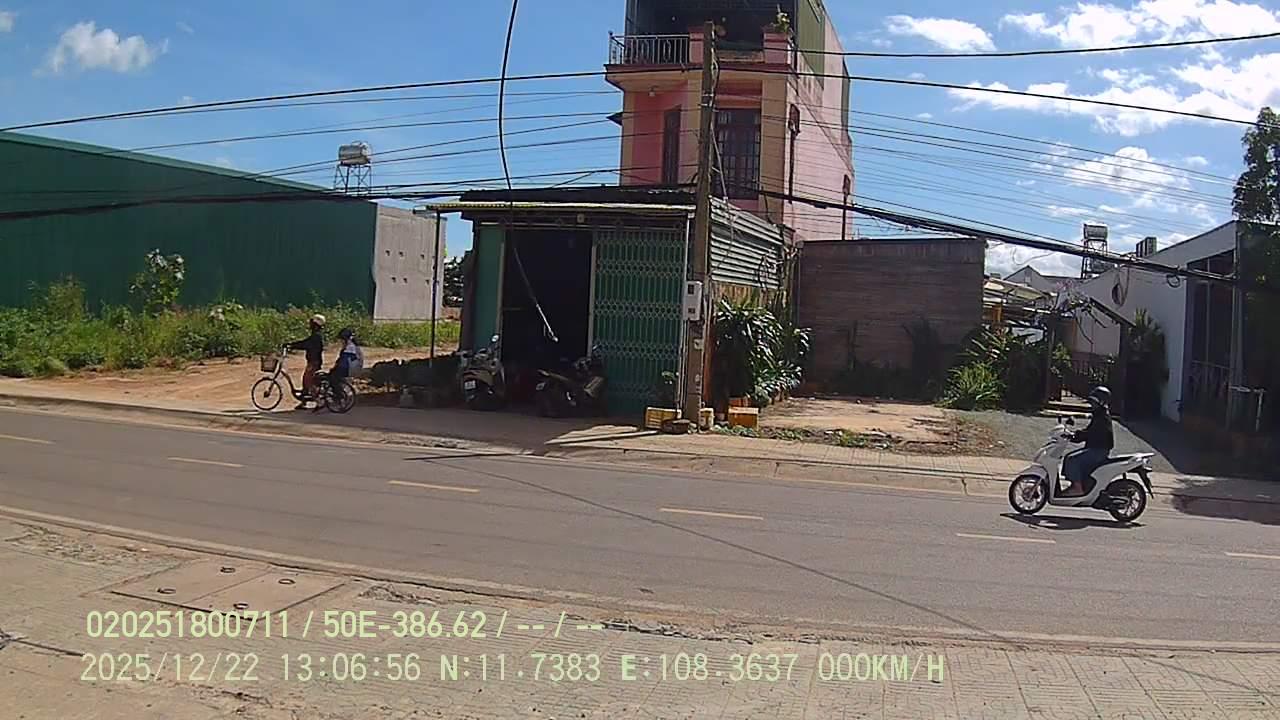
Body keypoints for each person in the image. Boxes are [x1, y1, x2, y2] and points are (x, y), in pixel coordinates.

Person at [1062, 386, 1114, 496]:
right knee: (1069, 457)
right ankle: (1076, 484)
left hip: (1099, 450)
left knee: (1072, 460)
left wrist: (1075, 435)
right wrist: (1074, 435)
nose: (1092, 404)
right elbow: (1089, 431)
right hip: (1095, 448)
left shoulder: (1103, 417)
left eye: (1094, 402)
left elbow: (1090, 433)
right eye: (1092, 402)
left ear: (1101, 402)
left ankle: (1077, 488)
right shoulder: (1099, 414)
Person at [287, 314, 326, 409]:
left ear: (316, 325)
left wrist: (292, 345)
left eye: (312, 323)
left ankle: (319, 401)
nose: (310, 324)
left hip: (314, 362)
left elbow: (305, 344)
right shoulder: (315, 335)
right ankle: (303, 401)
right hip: (313, 361)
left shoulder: (316, 336)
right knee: (306, 380)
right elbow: (305, 343)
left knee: (308, 381)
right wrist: (292, 345)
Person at [329, 327, 364, 391]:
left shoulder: (350, 347)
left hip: (350, 369)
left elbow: (344, 362)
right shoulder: (352, 346)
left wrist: (335, 368)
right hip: (352, 368)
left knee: (333, 377)